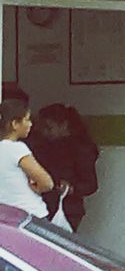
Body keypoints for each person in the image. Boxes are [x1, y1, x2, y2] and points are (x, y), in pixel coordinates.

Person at [28, 104, 99, 232]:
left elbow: (91, 184)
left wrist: (71, 188)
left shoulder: (81, 149)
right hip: (42, 204)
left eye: (49, 128)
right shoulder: (42, 146)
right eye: (42, 128)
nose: (44, 132)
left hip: (67, 208)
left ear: (64, 125)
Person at [0, 98, 56, 219]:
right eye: (27, 119)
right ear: (15, 124)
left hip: (6, 217)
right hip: (29, 215)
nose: (30, 124)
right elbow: (47, 183)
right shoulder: (17, 149)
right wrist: (36, 187)